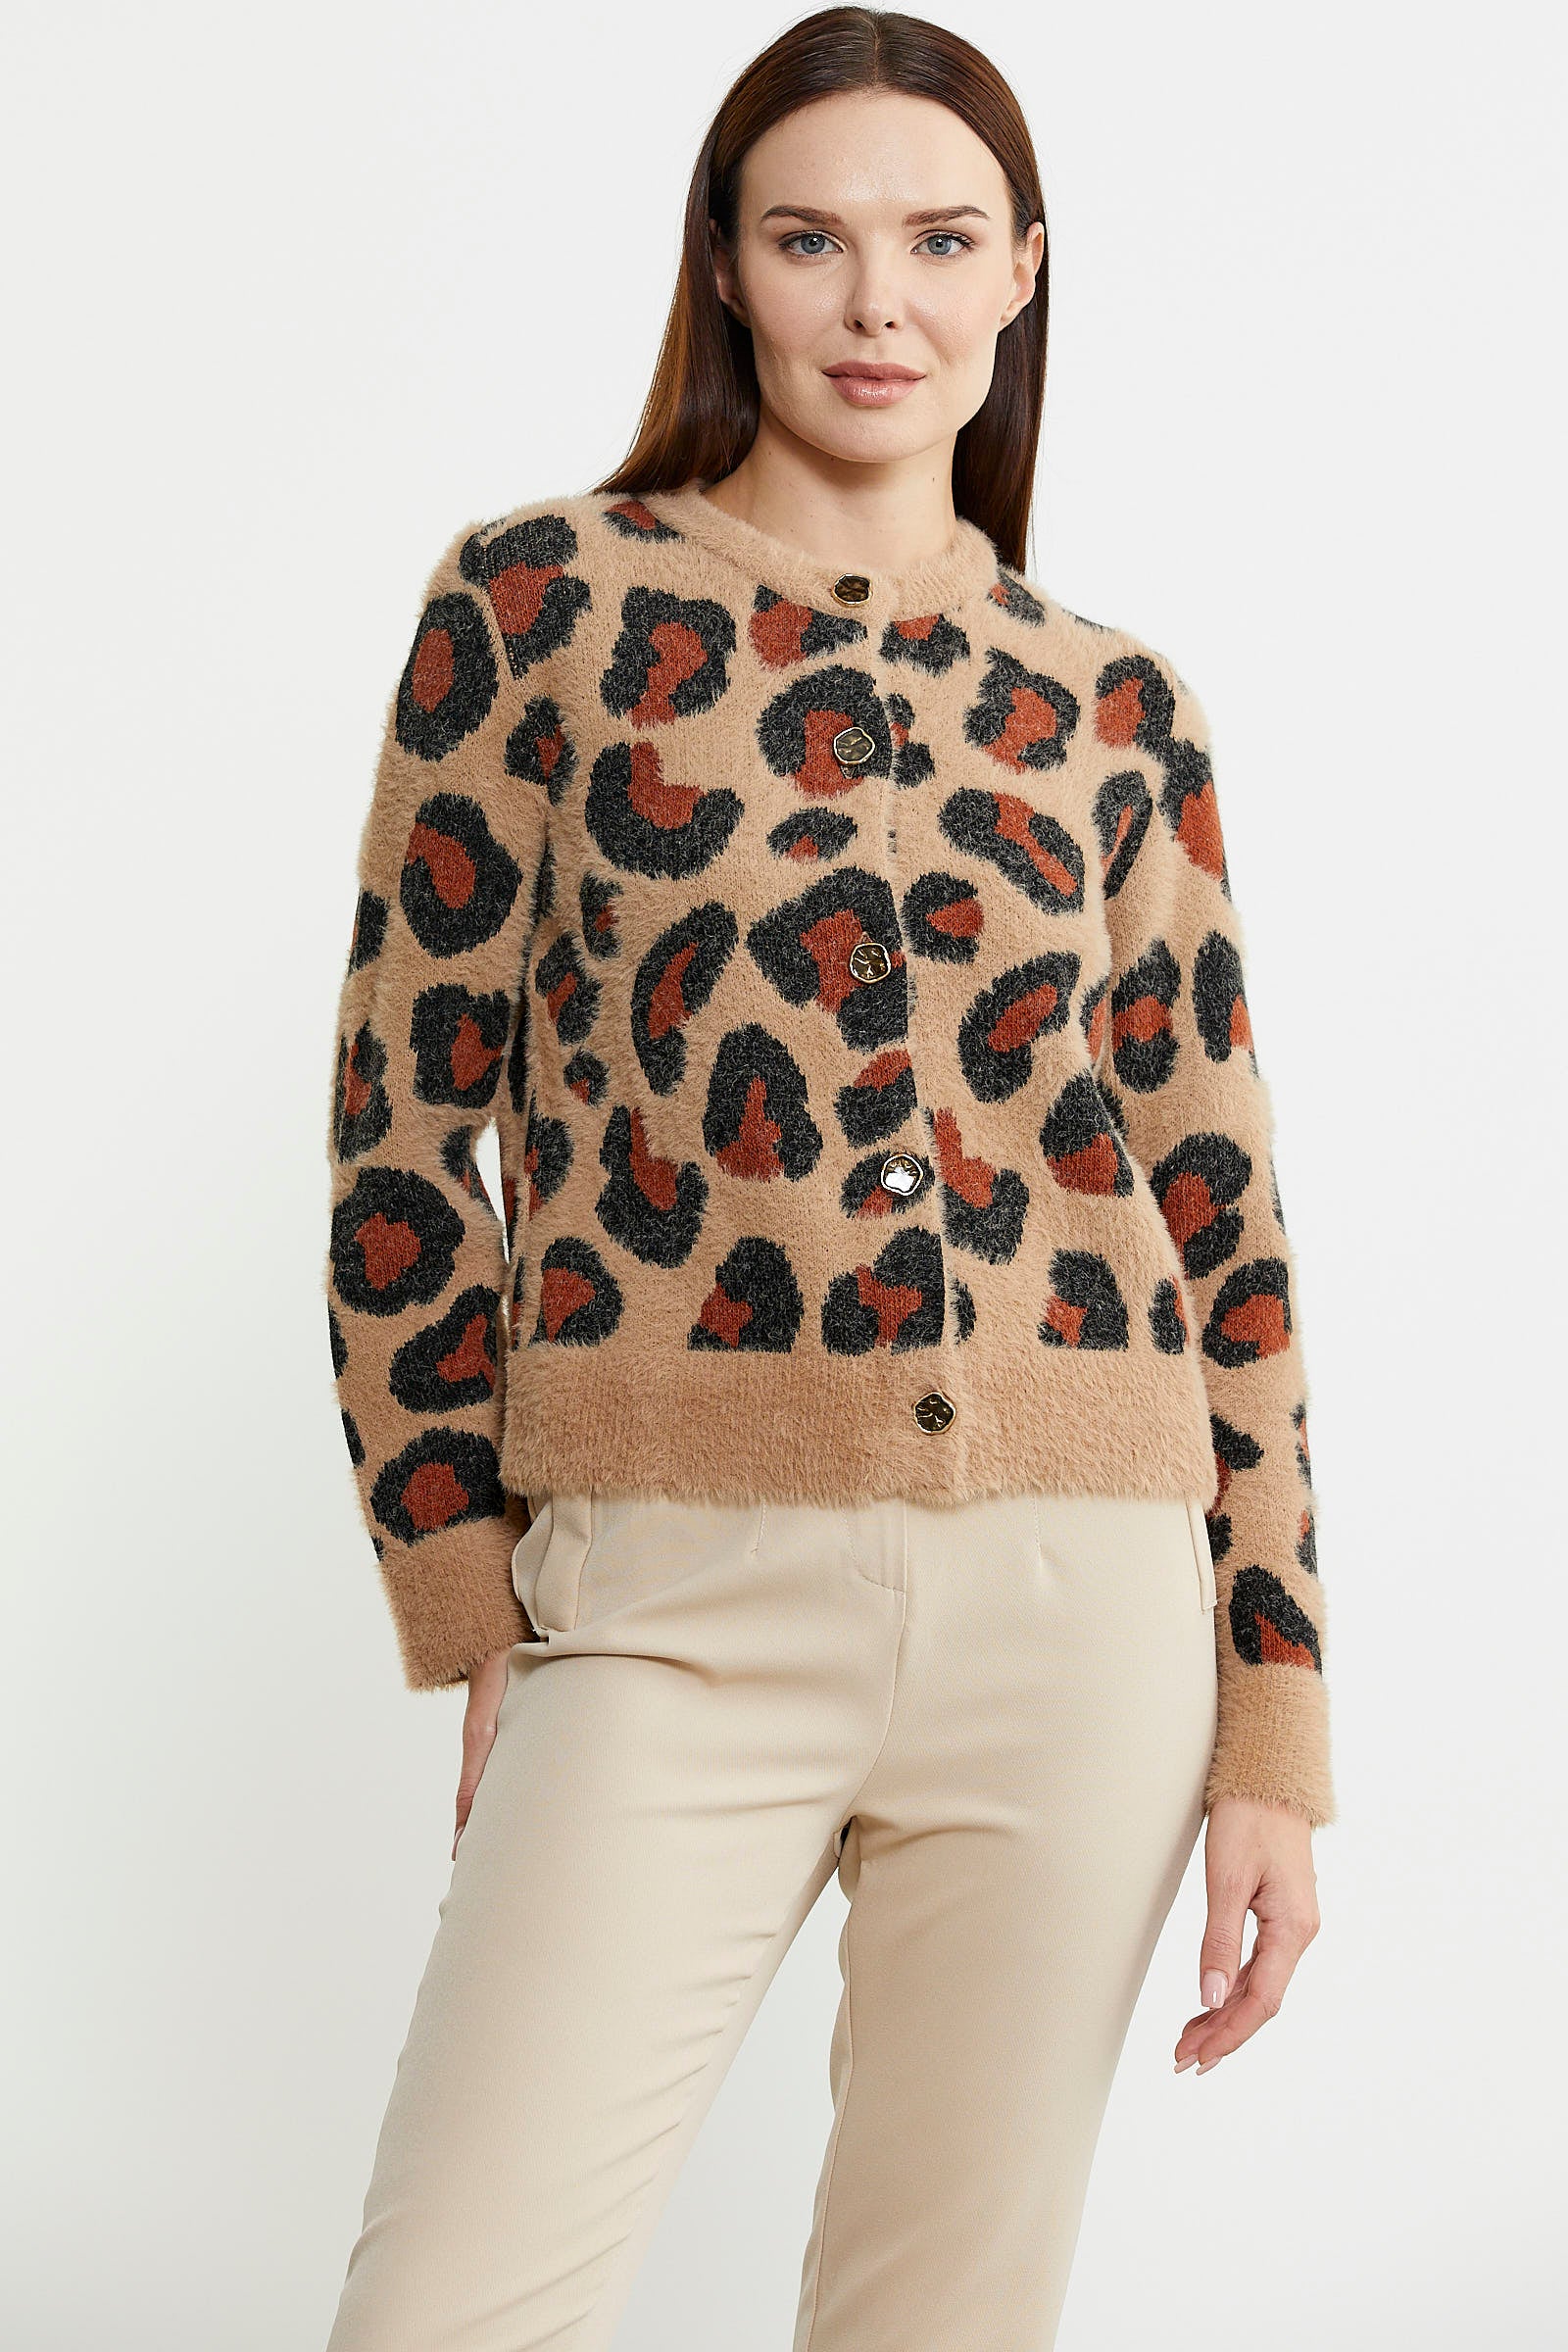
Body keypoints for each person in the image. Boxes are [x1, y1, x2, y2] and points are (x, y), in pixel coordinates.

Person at [319, 9, 1335, 2346]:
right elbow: (399, 1129)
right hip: (670, 1584)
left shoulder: (1115, 705)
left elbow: (1219, 1214)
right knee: (448, 2307)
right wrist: (467, 1592)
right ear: (727, 264)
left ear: (1020, 273)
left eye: (938, 241)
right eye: (810, 240)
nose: (877, 302)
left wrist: (1271, 1726)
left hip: (1084, 1605)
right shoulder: (538, 608)